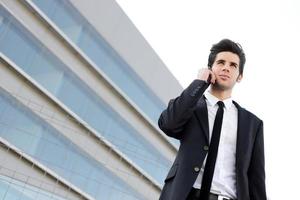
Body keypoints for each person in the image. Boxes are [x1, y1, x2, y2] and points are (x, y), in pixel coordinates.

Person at [158, 39, 267, 200]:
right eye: (220, 62)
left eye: (233, 65)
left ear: (240, 76)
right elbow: (168, 124)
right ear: (210, 68)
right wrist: (199, 83)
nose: (226, 68)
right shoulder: (191, 106)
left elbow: (256, 180)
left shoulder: (252, 124)